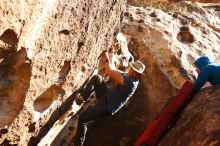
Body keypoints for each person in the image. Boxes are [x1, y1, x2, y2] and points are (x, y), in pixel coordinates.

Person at [70, 51, 145, 146]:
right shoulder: (128, 75)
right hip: (105, 96)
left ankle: (77, 144)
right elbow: (113, 69)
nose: (130, 69)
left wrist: (106, 58)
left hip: (107, 107)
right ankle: (81, 98)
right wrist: (110, 57)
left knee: (83, 118)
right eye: (131, 68)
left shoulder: (131, 83)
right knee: (97, 79)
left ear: (135, 73)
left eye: (132, 69)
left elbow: (109, 72)